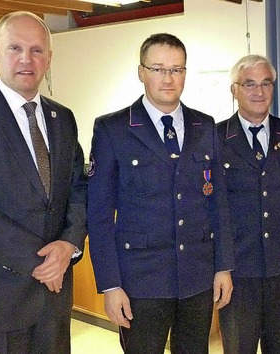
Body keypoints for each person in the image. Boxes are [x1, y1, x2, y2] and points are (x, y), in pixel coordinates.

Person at [0, 11, 87, 354]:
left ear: (49, 59)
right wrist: (37, 261)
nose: (27, 58)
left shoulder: (62, 118)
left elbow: (79, 190)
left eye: (37, 50)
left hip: (53, 297)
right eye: (15, 48)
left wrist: (69, 245)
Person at [87, 33, 234, 353]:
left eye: (177, 69)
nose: (168, 78)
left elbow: (218, 201)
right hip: (140, 281)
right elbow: (98, 215)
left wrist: (223, 265)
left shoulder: (204, 125)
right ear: (141, 72)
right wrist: (110, 285)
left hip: (197, 277)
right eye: (158, 69)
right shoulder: (113, 129)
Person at [216, 55, 280, 353]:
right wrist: (220, 265)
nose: (258, 92)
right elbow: (213, 207)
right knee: (238, 347)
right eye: (249, 84)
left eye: (265, 83)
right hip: (237, 267)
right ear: (234, 90)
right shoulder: (216, 136)